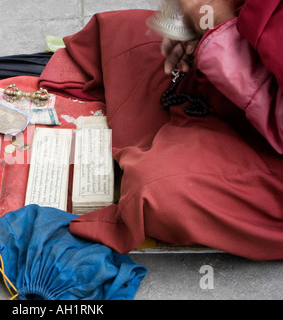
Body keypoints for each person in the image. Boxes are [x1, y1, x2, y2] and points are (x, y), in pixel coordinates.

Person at [39, 0, 283, 261]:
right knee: (123, 33)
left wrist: (220, 31)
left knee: (155, 191)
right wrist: (203, 26)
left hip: (269, 151)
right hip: (232, 78)